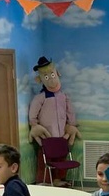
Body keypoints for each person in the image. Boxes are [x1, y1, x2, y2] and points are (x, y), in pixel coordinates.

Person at [28, 56, 81, 187]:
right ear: (40, 79)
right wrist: (34, 125)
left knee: (61, 158)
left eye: (52, 75)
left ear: (57, 74)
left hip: (62, 136)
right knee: (44, 159)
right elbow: (33, 113)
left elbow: (70, 111)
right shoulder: (40, 98)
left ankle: (58, 179)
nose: (51, 80)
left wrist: (72, 124)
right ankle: (44, 181)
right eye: (46, 77)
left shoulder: (63, 96)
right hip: (46, 136)